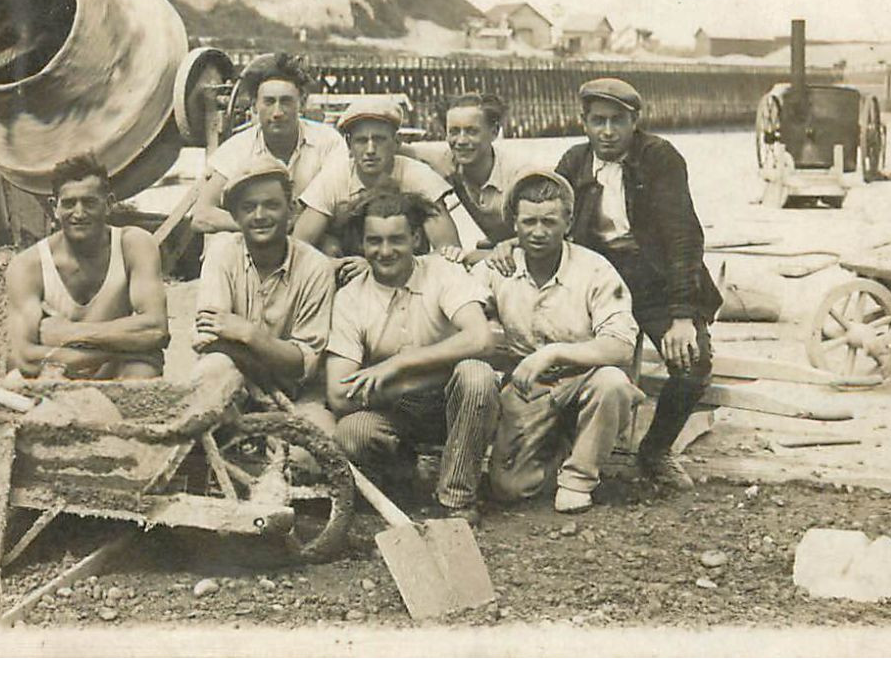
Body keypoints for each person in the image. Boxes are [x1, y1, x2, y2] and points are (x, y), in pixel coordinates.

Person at [518, 77, 721, 489]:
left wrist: (682, 316)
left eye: (617, 121)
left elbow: (684, 237)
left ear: (635, 122)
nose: (607, 132)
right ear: (584, 122)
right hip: (598, 277)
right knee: (564, 350)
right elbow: (546, 216)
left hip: (656, 279)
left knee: (692, 361)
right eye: (597, 121)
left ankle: (655, 450)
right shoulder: (575, 161)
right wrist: (510, 246)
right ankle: (567, 444)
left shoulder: (660, 158)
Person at [323, 191, 496, 524]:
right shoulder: (351, 298)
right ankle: (405, 480)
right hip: (395, 410)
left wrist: (398, 364)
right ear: (361, 243)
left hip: (452, 403)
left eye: (396, 240)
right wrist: (414, 380)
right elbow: (339, 394)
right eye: (374, 241)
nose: (385, 252)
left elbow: (480, 339)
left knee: (477, 375)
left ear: (416, 238)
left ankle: (456, 499)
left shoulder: (443, 272)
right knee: (351, 432)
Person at [474, 170, 641, 514]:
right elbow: (461, 309)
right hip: (529, 387)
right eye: (529, 221)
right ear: (515, 225)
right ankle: (564, 447)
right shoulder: (499, 269)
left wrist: (553, 353)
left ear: (568, 221)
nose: (538, 232)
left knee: (613, 384)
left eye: (549, 221)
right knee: (508, 489)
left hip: (584, 378)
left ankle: (579, 478)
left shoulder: (594, 269)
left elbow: (621, 346)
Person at [192, 161, 337, 433]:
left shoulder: (316, 267)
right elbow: (209, 341)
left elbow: (301, 364)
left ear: (291, 211)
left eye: (271, 205)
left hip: (298, 398)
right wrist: (270, 356)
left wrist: (250, 334)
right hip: (234, 390)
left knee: (320, 444)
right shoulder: (221, 253)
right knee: (212, 371)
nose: (260, 215)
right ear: (235, 216)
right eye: (248, 207)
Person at [0, 153, 169, 380]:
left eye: (89, 202)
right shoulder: (28, 265)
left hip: (111, 369)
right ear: (54, 208)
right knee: (17, 379)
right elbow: (26, 357)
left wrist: (70, 333)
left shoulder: (134, 245)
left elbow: (155, 330)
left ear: (108, 204)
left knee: (143, 371)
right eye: (69, 204)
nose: (79, 214)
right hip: (58, 370)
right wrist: (125, 344)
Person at [294, 99, 461, 273]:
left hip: (409, 278)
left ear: (396, 142)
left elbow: (449, 253)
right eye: (361, 141)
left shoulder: (419, 177)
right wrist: (333, 263)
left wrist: (375, 267)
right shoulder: (334, 178)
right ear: (349, 145)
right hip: (348, 279)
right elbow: (298, 250)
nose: (370, 149)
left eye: (379, 140)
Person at [192, 53, 344, 235]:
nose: (277, 112)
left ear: (302, 103)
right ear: (254, 105)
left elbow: (326, 206)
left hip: (308, 241)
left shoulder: (328, 142)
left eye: (286, 102)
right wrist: (262, 224)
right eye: (269, 102)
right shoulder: (236, 149)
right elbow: (201, 216)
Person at [403, 92, 533, 253]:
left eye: (472, 131)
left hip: (529, 253)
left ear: (494, 132)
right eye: (454, 131)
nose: (461, 141)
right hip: (495, 250)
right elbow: (400, 149)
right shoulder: (447, 160)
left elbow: (544, 235)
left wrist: (480, 256)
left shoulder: (519, 175)